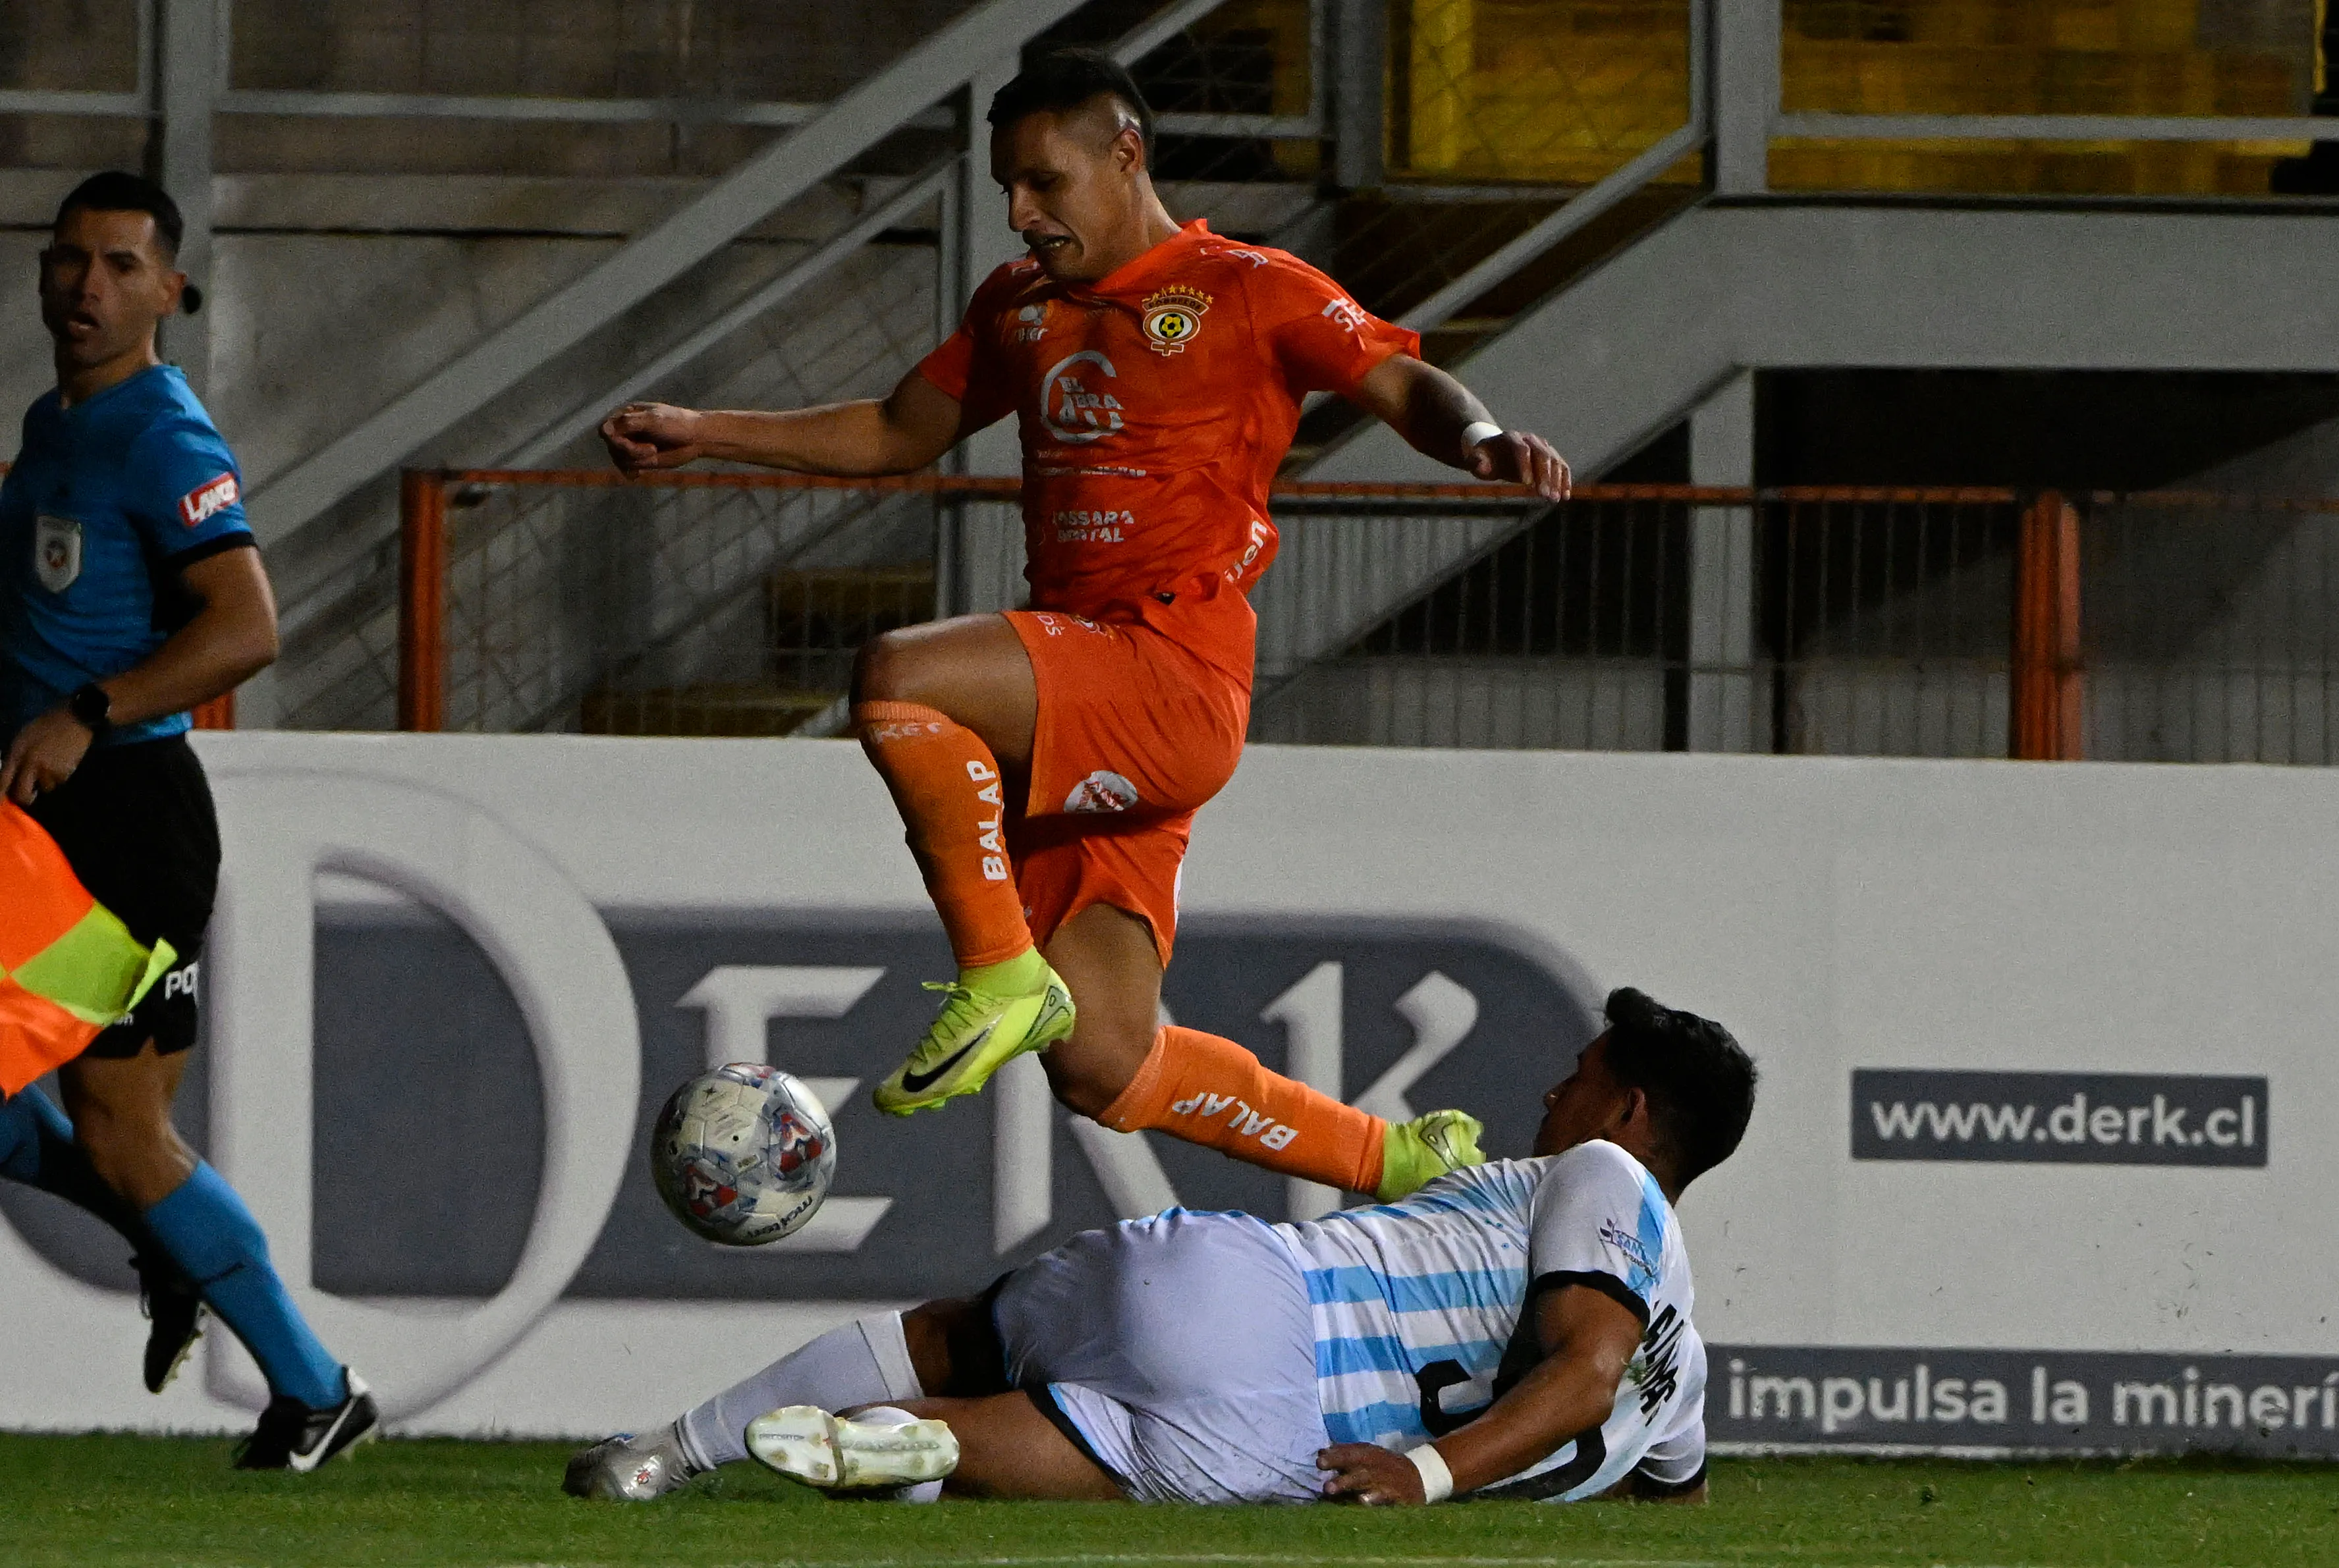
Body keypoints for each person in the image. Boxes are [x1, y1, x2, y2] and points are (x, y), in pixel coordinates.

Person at [601, 49, 1573, 1206]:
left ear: (1127, 153)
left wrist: (1481, 441)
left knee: (905, 680)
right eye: (1007, 185)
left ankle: (999, 967)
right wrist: (710, 430)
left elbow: (1401, 380)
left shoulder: (1246, 285)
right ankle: (1398, 1159)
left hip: (1170, 670)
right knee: (1104, 1062)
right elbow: (896, 432)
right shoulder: (1018, 308)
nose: (1020, 213)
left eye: (1045, 182)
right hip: (1081, 690)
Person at [566, 987, 1752, 1507]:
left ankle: (668, 1452)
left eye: (1583, 1077)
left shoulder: (1603, 1174)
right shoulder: (1686, 1366)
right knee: (1053, 1451)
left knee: (951, 1336)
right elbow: (1665, 1478)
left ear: (1631, 1114)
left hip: (1255, 1300)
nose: (1557, 1090)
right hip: (1281, 1449)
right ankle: (906, 1455)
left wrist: (1434, 1475)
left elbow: (1588, 1359)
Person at [0, 171, 374, 1469]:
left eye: (117, 263)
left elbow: (246, 626)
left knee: (119, 1127)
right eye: (67, 261)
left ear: (171, 289)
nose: (85, 285)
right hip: (40, 821)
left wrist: (88, 710)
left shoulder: (163, 434)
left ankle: (315, 1384)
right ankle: (175, 1247)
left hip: (119, 826)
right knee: (82, 1125)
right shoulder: (57, 424)